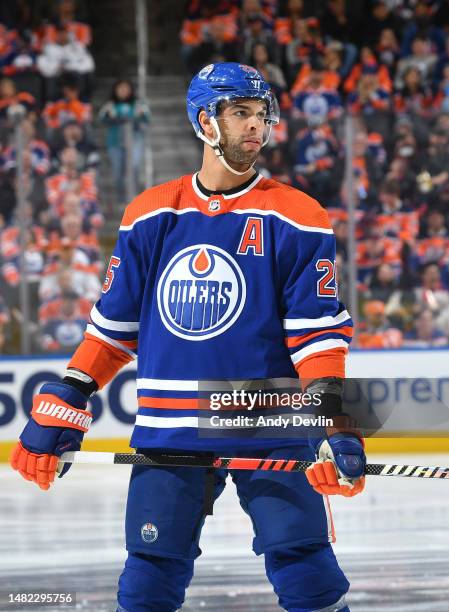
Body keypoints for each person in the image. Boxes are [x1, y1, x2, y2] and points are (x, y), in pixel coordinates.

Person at [9, 63, 364, 612]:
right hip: (170, 428)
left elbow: (317, 337)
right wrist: (73, 393)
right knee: (147, 583)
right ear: (205, 121)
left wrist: (332, 419)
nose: (256, 127)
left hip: (265, 415)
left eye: (261, 115)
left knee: (307, 574)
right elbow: (113, 328)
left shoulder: (298, 215)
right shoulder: (149, 214)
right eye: (240, 113)